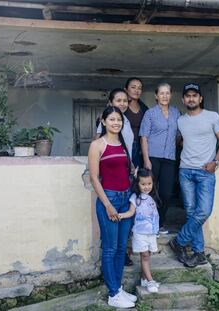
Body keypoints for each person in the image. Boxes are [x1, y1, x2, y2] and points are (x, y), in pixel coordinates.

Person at [169, 83, 219, 268]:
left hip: (205, 171)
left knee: (203, 211)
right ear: (183, 99)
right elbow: (180, 140)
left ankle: (178, 242)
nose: (191, 98)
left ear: (200, 98)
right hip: (185, 170)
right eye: (188, 96)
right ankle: (199, 253)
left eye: (195, 95)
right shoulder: (181, 120)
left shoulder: (212, 116)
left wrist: (215, 162)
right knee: (191, 213)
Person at [88, 106, 137, 308]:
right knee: (109, 249)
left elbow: (126, 170)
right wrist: (108, 205)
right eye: (112, 119)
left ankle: (118, 288)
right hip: (109, 199)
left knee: (119, 248)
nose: (116, 123)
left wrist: (133, 173)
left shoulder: (123, 144)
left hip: (125, 199)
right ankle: (113, 293)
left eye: (119, 120)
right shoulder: (97, 145)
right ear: (104, 121)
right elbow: (93, 178)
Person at [139, 82, 181, 235]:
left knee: (166, 192)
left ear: (171, 95)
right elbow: (144, 137)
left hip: (169, 158)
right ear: (156, 96)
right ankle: (148, 223)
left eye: (167, 93)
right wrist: (146, 159)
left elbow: (179, 136)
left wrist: (173, 146)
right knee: (149, 191)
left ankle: (160, 223)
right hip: (153, 157)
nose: (164, 96)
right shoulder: (150, 113)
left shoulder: (177, 113)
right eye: (161, 93)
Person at [118, 168, 161, 293]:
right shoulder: (135, 198)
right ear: (137, 184)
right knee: (145, 256)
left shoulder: (152, 197)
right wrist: (121, 215)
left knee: (148, 255)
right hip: (140, 233)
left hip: (151, 233)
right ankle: (150, 280)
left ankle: (144, 279)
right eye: (143, 184)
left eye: (149, 184)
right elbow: (131, 212)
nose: (147, 187)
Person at [95, 88, 134, 159]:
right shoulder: (108, 121)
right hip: (112, 163)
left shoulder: (126, 120)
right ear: (110, 103)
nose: (122, 104)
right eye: (118, 100)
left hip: (125, 163)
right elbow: (96, 143)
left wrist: (130, 163)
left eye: (125, 101)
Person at [124, 77, 148, 168]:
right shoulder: (121, 106)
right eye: (133, 87)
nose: (136, 90)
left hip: (140, 148)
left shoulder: (144, 108)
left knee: (138, 177)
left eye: (139, 88)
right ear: (126, 89)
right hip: (124, 146)